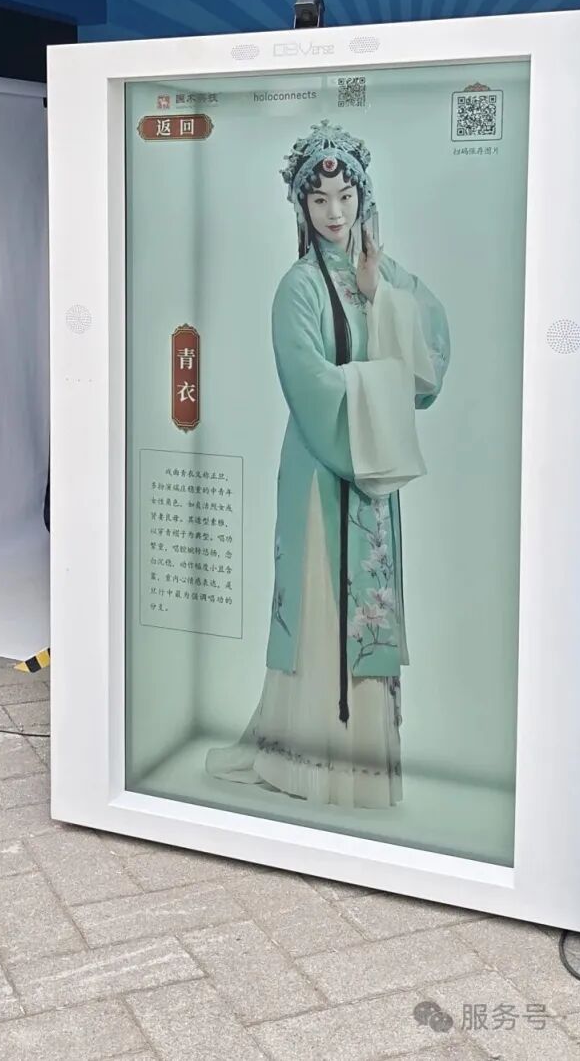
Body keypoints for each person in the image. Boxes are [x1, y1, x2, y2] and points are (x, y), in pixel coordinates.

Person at [206, 122, 450, 809]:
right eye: (319, 200)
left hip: (371, 473)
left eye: (345, 197)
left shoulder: (382, 275)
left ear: (363, 198)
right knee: (320, 608)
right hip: (322, 465)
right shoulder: (297, 288)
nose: (334, 212)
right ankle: (304, 765)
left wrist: (379, 296)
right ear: (301, 207)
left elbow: (432, 347)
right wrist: (371, 396)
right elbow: (309, 384)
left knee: (365, 613)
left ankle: (361, 768)